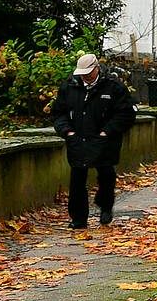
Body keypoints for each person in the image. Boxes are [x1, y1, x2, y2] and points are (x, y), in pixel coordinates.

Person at [51, 53, 136, 229]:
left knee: (106, 175)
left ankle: (105, 206)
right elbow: (59, 113)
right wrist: (67, 131)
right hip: (78, 139)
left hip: (104, 140)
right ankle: (78, 218)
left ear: (97, 68)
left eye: (88, 73)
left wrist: (108, 131)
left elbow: (126, 113)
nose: (85, 76)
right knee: (77, 179)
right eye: (82, 73)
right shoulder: (69, 87)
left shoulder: (113, 87)